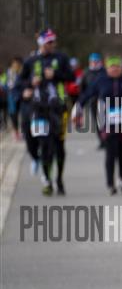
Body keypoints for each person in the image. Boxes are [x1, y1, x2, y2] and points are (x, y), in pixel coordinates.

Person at [17, 28, 74, 195]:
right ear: (41, 43)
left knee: (59, 147)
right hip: (38, 109)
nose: (52, 45)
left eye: (53, 42)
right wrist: (29, 85)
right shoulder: (31, 61)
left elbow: (71, 77)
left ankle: (59, 179)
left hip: (59, 108)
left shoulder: (61, 58)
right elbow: (19, 82)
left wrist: (55, 74)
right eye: (49, 42)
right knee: (44, 144)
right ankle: (47, 180)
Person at [75, 56, 122, 195]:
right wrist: (78, 109)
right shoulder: (101, 80)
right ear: (107, 68)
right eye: (111, 67)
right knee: (110, 152)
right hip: (108, 121)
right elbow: (87, 94)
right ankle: (110, 184)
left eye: (117, 67)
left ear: (121, 68)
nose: (114, 69)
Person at [80, 53, 106, 149]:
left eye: (96, 61)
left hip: (104, 100)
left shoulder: (104, 71)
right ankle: (102, 141)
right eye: (92, 62)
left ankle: (107, 139)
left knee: (105, 121)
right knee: (97, 121)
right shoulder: (86, 72)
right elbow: (83, 87)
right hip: (93, 101)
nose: (94, 63)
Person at [3, 57, 24, 141]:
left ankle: (22, 131)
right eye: (14, 64)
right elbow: (5, 84)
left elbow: (23, 83)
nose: (15, 65)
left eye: (17, 64)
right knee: (13, 115)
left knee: (23, 115)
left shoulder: (21, 72)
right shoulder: (9, 73)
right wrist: (7, 88)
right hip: (11, 96)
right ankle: (16, 132)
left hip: (20, 96)